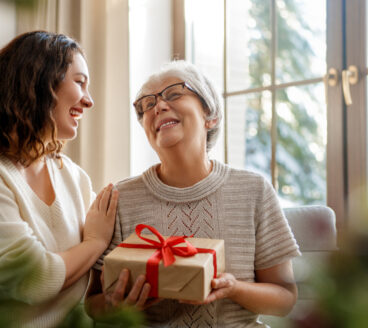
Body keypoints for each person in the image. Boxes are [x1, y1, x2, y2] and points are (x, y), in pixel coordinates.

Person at [0, 31, 118, 328]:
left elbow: (98, 281)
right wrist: (94, 242)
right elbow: (32, 280)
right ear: (40, 82)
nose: (89, 101)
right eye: (79, 82)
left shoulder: (74, 177)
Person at [85, 61, 300, 327]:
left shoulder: (254, 190)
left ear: (211, 116)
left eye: (174, 94)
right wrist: (113, 305)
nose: (159, 106)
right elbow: (92, 304)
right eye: (147, 105)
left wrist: (233, 288)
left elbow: (285, 299)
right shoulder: (120, 198)